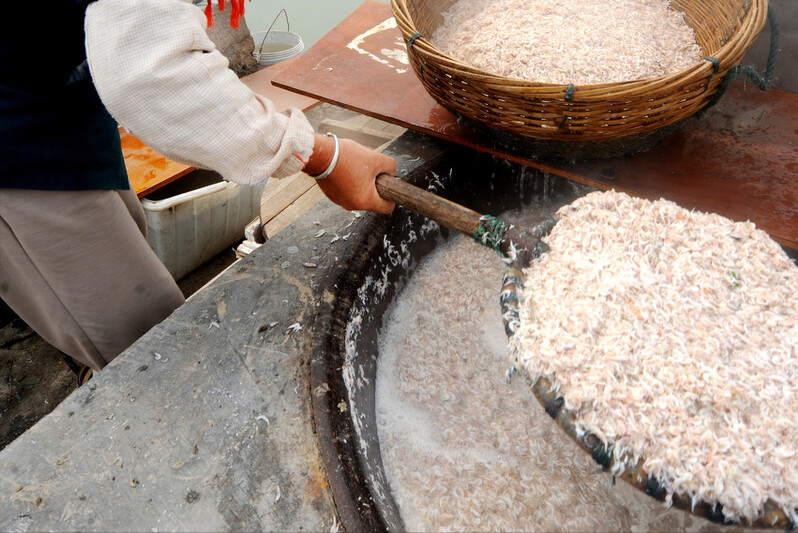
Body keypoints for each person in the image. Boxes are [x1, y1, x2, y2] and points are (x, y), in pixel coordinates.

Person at [0, 0, 396, 379]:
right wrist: (322, 156)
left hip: (61, 87)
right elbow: (152, 74)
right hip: (17, 144)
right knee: (148, 339)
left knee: (129, 240)